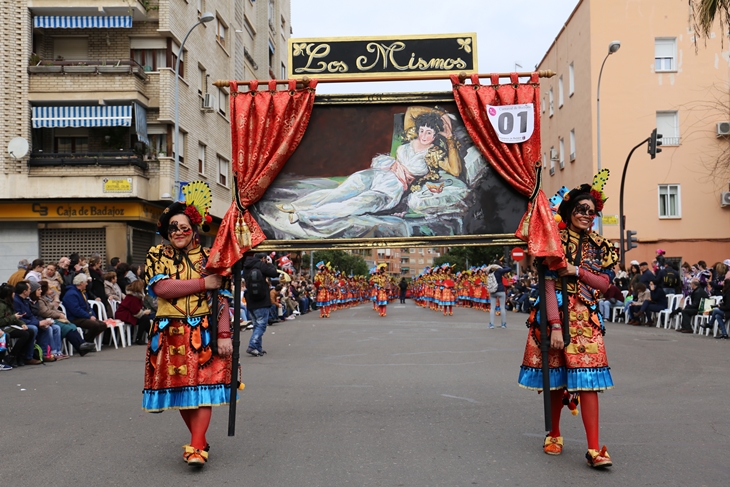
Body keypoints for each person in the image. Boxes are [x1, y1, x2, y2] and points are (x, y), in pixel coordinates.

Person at [518, 178, 618, 469]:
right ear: (570, 209)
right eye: (581, 208)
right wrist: (555, 325)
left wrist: (577, 271)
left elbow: (603, 283)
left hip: (586, 319)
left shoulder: (600, 246)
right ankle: (554, 433)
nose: (586, 214)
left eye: (591, 211)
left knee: (589, 382)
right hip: (555, 317)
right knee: (555, 381)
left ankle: (594, 448)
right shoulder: (554, 241)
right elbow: (548, 286)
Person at [142, 196, 233, 468]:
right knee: (182, 389)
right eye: (172, 228)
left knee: (204, 387)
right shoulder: (156, 254)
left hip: (204, 330)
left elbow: (222, 298)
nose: (177, 233)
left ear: (194, 229)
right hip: (169, 331)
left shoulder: (210, 257)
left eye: (183, 227)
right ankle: (199, 440)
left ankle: (196, 446)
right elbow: (162, 289)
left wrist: (224, 333)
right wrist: (204, 282)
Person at [279, 110, 461, 227]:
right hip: (379, 174)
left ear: (436, 135)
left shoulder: (434, 154)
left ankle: (303, 215)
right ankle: (295, 205)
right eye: (422, 130)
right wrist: (440, 115)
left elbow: (455, 170)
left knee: (352, 204)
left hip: (392, 189)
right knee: (339, 192)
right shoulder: (410, 138)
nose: (423, 135)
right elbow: (413, 111)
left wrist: (450, 137)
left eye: (429, 133)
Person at [38, 281, 95, 356]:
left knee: (72, 326)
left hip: (53, 317)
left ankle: (82, 344)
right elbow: (45, 312)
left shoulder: (46, 298)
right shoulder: (40, 301)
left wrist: (60, 313)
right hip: (48, 319)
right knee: (66, 328)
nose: (50, 290)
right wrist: (58, 315)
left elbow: (53, 309)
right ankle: (81, 347)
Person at [243, 252, 278, 357]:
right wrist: (269, 264)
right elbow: (274, 273)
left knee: (256, 325)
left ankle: (258, 348)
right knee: (261, 325)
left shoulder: (246, 266)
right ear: (263, 258)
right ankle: (253, 345)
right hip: (262, 300)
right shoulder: (261, 265)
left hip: (250, 300)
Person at [62, 273, 107, 344]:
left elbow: (88, 306)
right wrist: (88, 316)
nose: (87, 284)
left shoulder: (82, 293)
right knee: (95, 325)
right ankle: (87, 342)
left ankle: (87, 340)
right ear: (81, 283)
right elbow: (75, 310)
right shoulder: (71, 294)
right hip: (74, 318)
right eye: (86, 282)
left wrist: (93, 315)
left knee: (103, 325)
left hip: (83, 316)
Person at [13, 281, 52, 364]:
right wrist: (37, 323)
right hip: (20, 323)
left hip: (28, 321)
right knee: (33, 329)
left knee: (46, 328)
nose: (31, 291)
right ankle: (28, 357)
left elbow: (30, 315)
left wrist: (40, 322)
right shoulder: (16, 301)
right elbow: (19, 318)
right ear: (24, 291)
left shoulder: (25, 300)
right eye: (29, 289)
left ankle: (43, 354)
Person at [0, 283, 33, 367]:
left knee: (30, 331)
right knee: (24, 334)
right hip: (4, 327)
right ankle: (12, 355)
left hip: (10, 325)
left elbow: (15, 316)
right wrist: (13, 317)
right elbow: (1, 321)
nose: (14, 294)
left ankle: (20, 355)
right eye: (13, 292)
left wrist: (22, 324)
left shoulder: (9, 303)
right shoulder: (1, 305)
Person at [114, 280, 151, 345]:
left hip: (128, 314)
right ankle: (140, 338)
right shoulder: (133, 298)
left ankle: (151, 335)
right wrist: (144, 312)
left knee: (145, 319)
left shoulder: (134, 296)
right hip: (124, 315)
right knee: (144, 319)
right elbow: (136, 312)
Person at [487, 262, 511, 329]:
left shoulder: (490, 271)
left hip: (492, 290)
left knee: (492, 308)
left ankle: (491, 324)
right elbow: (509, 269)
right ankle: (503, 324)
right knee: (502, 307)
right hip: (500, 290)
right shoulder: (499, 271)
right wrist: (502, 267)